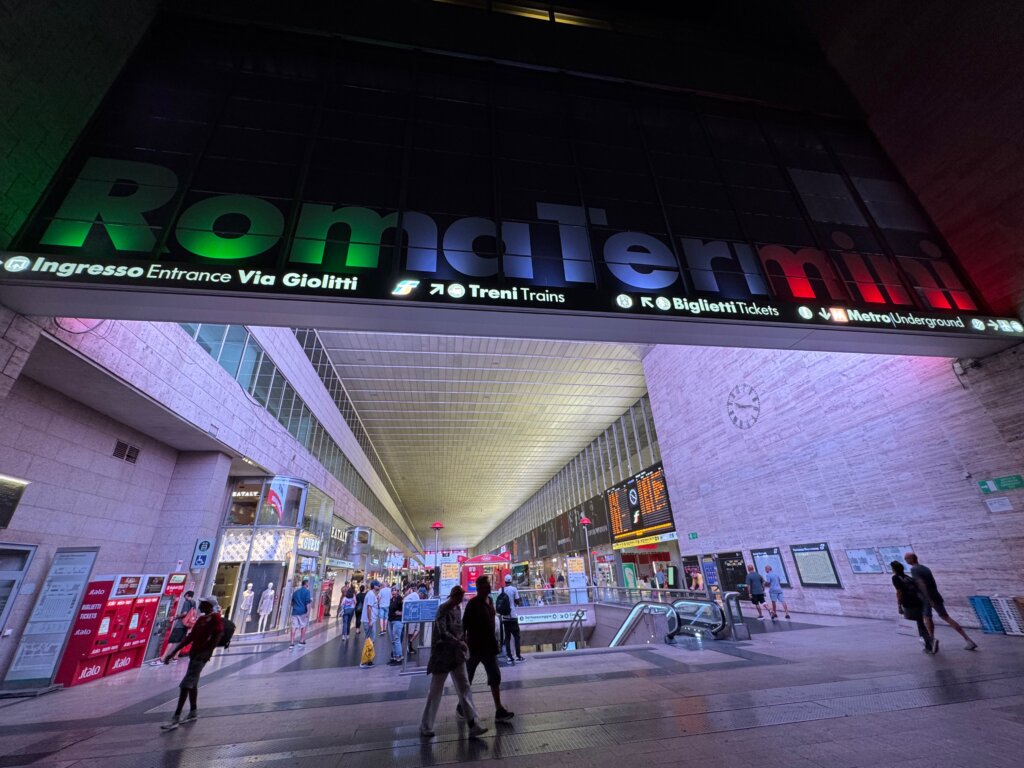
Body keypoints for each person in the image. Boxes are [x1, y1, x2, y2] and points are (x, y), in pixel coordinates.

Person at [420, 585, 488, 739]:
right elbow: (442, 632)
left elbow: (459, 629)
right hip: (442, 656)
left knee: (465, 687)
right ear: (454, 596)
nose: (460, 601)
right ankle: (426, 725)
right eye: (459, 598)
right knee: (435, 690)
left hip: (456, 655)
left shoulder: (457, 609)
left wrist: (463, 639)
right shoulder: (442, 609)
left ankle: (473, 723)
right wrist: (459, 642)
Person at [160, 597, 224, 730]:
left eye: (202, 604)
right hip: (194, 654)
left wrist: (208, 652)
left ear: (208, 605)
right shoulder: (201, 619)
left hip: (201, 656)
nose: (199, 606)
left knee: (186, 684)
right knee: (192, 683)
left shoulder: (215, 618)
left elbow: (218, 635)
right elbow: (190, 637)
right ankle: (193, 711)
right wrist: (173, 653)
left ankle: (176, 717)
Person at [460, 575, 514, 722]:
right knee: (468, 677)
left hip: (489, 647)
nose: (489, 587)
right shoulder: (473, 604)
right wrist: (463, 643)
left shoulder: (490, 601)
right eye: (486, 585)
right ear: (479, 588)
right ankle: (461, 706)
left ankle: (499, 709)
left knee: (495, 676)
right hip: (475, 647)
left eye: (489, 584)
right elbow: (464, 624)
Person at [904, 553, 978, 650]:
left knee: (927, 618)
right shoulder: (925, 568)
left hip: (927, 598)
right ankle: (968, 640)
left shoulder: (914, 569)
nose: (905, 561)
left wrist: (929, 599)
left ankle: (932, 641)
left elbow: (922, 584)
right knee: (945, 617)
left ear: (911, 559)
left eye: (906, 559)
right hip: (936, 595)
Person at [891, 561, 936, 654]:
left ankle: (929, 644)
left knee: (918, 625)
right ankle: (929, 641)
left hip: (909, 603)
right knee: (920, 623)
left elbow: (899, 592)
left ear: (894, 569)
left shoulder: (895, 578)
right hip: (918, 602)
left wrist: (899, 605)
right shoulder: (908, 577)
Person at [153, 590, 195, 665]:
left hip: (180, 625)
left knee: (171, 641)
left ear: (187, 595)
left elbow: (184, 613)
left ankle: (162, 659)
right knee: (180, 642)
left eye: (185, 595)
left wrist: (175, 617)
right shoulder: (193, 603)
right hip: (186, 626)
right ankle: (175, 657)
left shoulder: (186, 602)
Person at [497, 573, 525, 663]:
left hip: (504, 617)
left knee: (507, 638)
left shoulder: (500, 590)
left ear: (505, 581)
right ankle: (518, 656)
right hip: (513, 616)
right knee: (516, 637)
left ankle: (509, 657)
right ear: (511, 581)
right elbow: (517, 601)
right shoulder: (514, 589)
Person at [289, 578, 312, 648]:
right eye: (308, 583)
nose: (308, 585)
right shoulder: (307, 592)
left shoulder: (296, 592)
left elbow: (292, 602)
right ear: (306, 584)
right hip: (303, 611)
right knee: (303, 626)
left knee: (293, 627)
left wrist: (296, 607)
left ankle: (292, 643)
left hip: (295, 611)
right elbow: (307, 602)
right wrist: (308, 611)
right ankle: (301, 641)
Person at [387, 585, 404, 665]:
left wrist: (400, 613)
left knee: (396, 639)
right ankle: (394, 657)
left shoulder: (400, 599)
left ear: (397, 591)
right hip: (391, 621)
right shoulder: (391, 599)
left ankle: (399, 658)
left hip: (397, 621)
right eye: (392, 591)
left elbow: (405, 609)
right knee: (393, 640)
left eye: (395, 590)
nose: (393, 592)